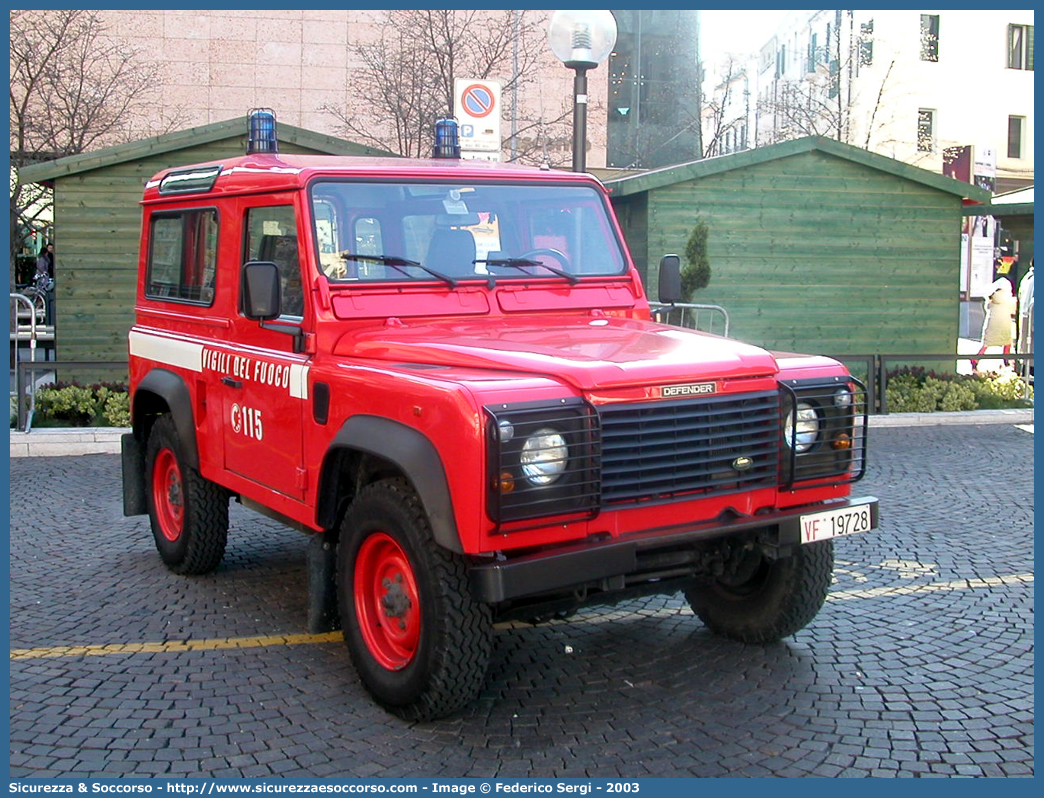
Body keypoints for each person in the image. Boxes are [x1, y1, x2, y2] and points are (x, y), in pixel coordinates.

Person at [971, 277, 1017, 373]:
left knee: (986, 343)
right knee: (1007, 342)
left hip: (992, 323)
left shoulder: (991, 298)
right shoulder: (1009, 298)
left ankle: (976, 359)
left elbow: (987, 307)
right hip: (1005, 323)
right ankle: (1006, 359)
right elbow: (1013, 310)